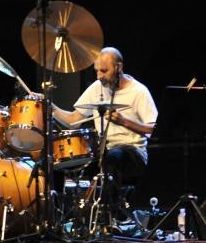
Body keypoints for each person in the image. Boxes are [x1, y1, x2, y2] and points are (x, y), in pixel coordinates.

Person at [52, 47, 158, 215]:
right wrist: (50, 108)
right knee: (59, 162)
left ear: (119, 67)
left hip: (133, 153)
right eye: (96, 71)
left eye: (104, 71)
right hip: (103, 150)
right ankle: (61, 219)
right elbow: (73, 121)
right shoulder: (96, 88)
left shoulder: (139, 92)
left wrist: (124, 122)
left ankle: (112, 217)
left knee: (112, 157)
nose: (99, 76)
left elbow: (151, 130)